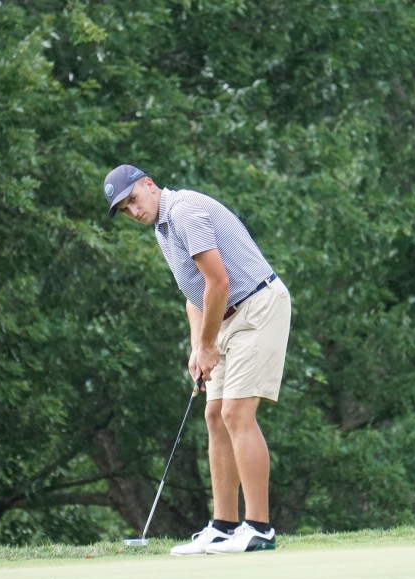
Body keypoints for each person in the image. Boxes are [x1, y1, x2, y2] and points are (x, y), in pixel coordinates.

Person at [102, 164, 291, 554]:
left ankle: (259, 529)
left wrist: (207, 345)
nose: (133, 211)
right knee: (215, 415)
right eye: (124, 209)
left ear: (149, 185)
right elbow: (195, 293)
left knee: (236, 414)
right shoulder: (163, 228)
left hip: (257, 306)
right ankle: (222, 526)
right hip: (224, 316)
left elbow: (218, 282)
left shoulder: (184, 212)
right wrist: (197, 347)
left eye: (133, 200)